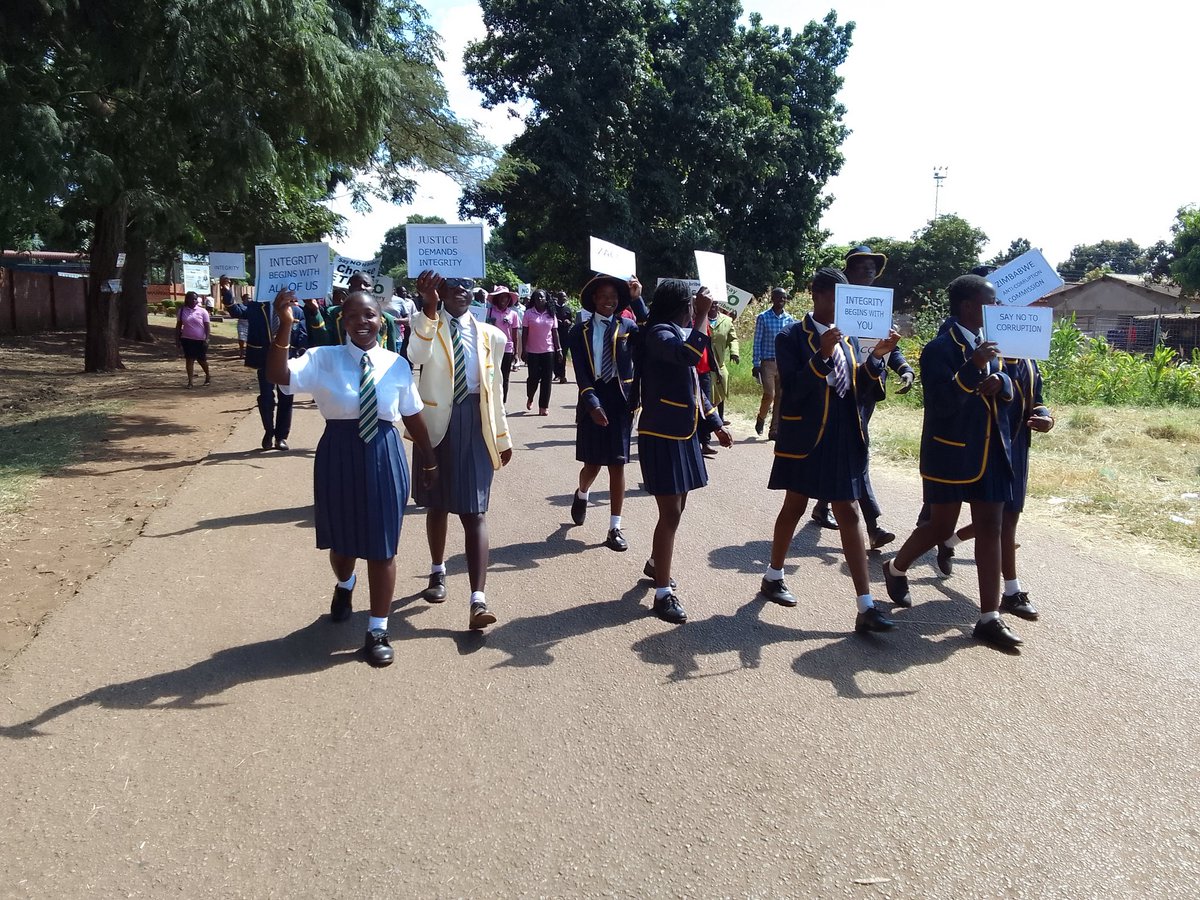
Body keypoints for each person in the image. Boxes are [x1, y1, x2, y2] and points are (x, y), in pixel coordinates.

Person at [265, 289, 437, 667]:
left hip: (384, 452)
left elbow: (411, 414)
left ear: (382, 320)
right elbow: (278, 375)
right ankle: (345, 585)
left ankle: (377, 629)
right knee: (341, 546)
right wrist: (285, 326)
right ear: (342, 319)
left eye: (370, 315)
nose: (363, 322)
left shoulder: (397, 364)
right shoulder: (322, 358)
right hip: (338, 453)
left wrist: (428, 458)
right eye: (354, 315)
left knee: (382, 545)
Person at [881, 274, 1022, 651]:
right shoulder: (939, 349)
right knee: (939, 526)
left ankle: (989, 617)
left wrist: (1001, 384)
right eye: (987, 303)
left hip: (991, 451)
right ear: (967, 307)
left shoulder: (992, 345)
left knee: (991, 525)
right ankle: (895, 568)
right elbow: (942, 404)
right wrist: (974, 368)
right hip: (950, 451)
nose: (994, 310)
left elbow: (1010, 384)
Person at [759, 268, 901, 633]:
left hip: (843, 433)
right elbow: (793, 387)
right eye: (837, 298)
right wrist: (821, 355)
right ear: (816, 295)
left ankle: (865, 606)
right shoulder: (792, 335)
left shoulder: (851, 339)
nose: (842, 307)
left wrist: (878, 359)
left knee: (849, 510)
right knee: (794, 505)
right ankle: (774, 575)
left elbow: (861, 386)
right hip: (806, 437)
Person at [410, 271, 514, 630]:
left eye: (467, 287)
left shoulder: (491, 336)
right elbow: (415, 354)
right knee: (437, 504)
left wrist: (502, 435)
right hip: (436, 425)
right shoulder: (427, 324)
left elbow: (495, 390)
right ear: (440, 292)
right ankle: (438, 571)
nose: (461, 292)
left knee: (475, 511)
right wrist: (428, 307)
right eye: (453, 287)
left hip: (475, 423)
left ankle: (478, 600)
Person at [637, 279, 733, 624]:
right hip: (661, 434)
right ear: (681, 305)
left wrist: (715, 421)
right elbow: (689, 356)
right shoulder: (659, 333)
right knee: (671, 512)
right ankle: (663, 593)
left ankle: (653, 564)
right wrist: (704, 317)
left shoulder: (676, 331)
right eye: (692, 304)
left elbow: (693, 383)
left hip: (685, 433)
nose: (695, 307)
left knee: (678, 508)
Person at [935, 355, 1053, 622]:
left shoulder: (1029, 360)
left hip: (1018, 445)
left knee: (1007, 518)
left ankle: (950, 541)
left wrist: (1046, 418)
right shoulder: (986, 356)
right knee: (1000, 521)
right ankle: (1011, 591)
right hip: (989, 445)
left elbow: (1038, 400)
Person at [811, 245, 914, 544]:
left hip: (868, 386)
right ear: (848, 271)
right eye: (861, 266)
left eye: (872, 267)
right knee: (858, 450)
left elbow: (888, 346)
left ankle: (822, 504)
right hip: (839, 385)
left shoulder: (878, 306)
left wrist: (904, 368)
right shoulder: (834, 305)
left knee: (850, 448)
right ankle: (872, 526)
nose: (868, 271)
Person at [567, 274, 648, 551]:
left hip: (621, 400)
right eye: (603, 296)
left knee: (617, 464)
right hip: (593, 398)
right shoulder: (579, 331)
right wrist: (592, 404)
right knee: (592, 464)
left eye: (613, 296)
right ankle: (582, 493)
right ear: (593, 300)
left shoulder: (628, 327)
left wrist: (638, 301)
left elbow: (651, 335)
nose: (608, 301)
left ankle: (614, 527)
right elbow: (581, 373)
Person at [223, 288, 310, 450]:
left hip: (288, 361)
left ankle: (281, 437)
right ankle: (269, 432)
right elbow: (235, 311)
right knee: (266, 398)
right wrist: (226, 290)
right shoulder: (257, 307)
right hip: (264, 360)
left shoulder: (297, 311)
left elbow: (303, 337)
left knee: (286, 397)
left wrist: (301, 357)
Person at [307, 272, 401, 351]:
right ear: (350, 289)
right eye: (357, 284)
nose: (362, 287)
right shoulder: (334, 313)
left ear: (372, 289)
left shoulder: (386, 319)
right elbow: (324, 341)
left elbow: (392, 351)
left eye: (366, 285)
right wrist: (315, 311)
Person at [752, 288, 795, 440]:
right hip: (767, 362)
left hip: (783, 363)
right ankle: (761, 417)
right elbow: (757, 340)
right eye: (779, 297)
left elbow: (791, 343)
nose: (782, 300)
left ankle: (774, 430)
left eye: (784, 298)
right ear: (773, 298)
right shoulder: (763, 317)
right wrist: (755, 363)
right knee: (770, 395)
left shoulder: (790, 319)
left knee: (780, 397)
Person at [521, 288, 562, 415]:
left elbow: (555, 333)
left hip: (548, 351)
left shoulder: (551, 314)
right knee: (533, 378)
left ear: (546, 299)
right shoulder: (528, 313)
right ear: (534, 299)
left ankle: (543, 406)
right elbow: (525, 333)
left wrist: (559, 349)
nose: (540, 299)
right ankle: (530, 396)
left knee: (546, 379)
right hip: (532, 351)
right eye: (537, 297)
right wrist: (524, 349)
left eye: (542, 297)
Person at [485, 285, 522, 403]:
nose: (503, 300)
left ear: (509, 299)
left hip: (507, 349)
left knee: (505, 378)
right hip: (492, 348)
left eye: (506, 297)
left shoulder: (513, 314)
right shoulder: (489, 312)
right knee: (491, 376)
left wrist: (516, 353)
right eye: (500, 297)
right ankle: (490, 402)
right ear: (496, 299)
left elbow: (515, 334)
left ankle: (502, 403)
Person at [708, 301, 739, 423]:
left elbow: (733, 339)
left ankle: (720, 417)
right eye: (710, 304)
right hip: (706, 365)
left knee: (722, 387)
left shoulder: (726, 320)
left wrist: (734, 352)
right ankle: (709, 419)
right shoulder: (699, 319)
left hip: (720, 364)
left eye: (715, 304)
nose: (713, 306)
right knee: (708, 392)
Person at [175, 291, 212, 388]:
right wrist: (177, 339)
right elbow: (178, 326)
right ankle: (190, 382)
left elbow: (207, 326)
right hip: (187, 339)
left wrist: (207, 338)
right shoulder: (182, 311)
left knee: (201, 360)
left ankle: (208, 376)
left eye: (196, 298)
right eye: (192, 298)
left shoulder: (203, 311)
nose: (194, 300)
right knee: (189, 360)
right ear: (187, 299)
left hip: (200, 340)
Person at [552, 290, 574, 383]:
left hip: (565, 336)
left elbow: (571, 320)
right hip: (555, 335)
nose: (564, 298)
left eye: (565, 297)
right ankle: (556, 374)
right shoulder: (553, 308)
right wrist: (557, 321)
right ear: (558, 298)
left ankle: (562, 375)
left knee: (563, 356)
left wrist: (568, 322)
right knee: (555, 355)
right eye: (562, 297)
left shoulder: (568, 309)